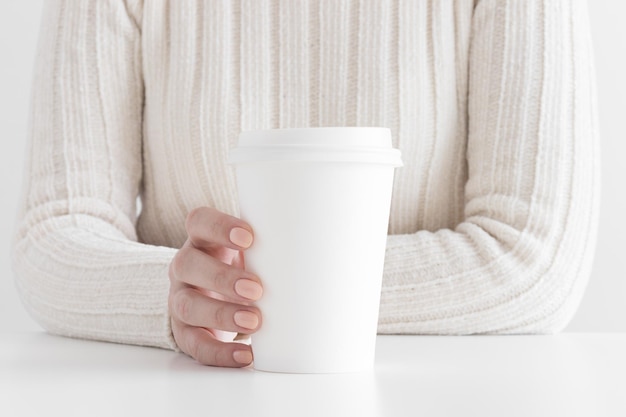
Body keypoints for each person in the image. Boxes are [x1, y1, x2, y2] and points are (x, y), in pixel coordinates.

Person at [12, 0, 599, 367]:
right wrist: (177, 298)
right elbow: (56, 235)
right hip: (197, 392)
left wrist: (257, 295)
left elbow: (533, 257)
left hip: (438, 396)